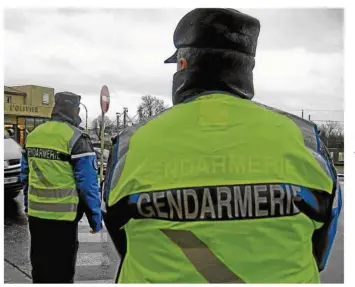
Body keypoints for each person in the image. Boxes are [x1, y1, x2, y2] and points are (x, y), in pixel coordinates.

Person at [102, 8, 342, 283]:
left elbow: (120, 233)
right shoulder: (304, 138)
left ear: (183, 66)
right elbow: (322, 244)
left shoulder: (133, 144)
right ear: (245, 70)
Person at [20, 92, 102, 283]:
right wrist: (95, 219)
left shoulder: (33, 136)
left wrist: (27, 206)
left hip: (37, 217)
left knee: (40, 268)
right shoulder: (76, 138)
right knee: (62, 272)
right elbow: (87, 186)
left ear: (54, 108)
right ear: (76, 110)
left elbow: (26, 176)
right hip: (64, 219)